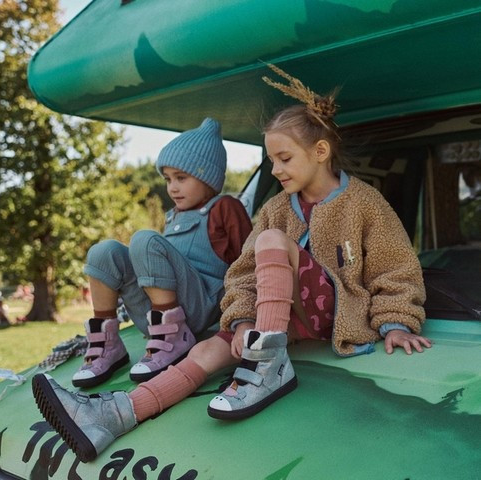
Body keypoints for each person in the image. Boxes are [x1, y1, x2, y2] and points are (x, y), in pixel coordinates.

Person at [32, 65, 431, 462]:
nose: (275, 170)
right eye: (271, 160)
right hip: (276, 322)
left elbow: (394, 266)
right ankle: (114, 415)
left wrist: (395, 322)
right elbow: (241, 273)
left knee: (272, 242)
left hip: (337, 313)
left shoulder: (363, 203)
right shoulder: (275, 207)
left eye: (285, 158)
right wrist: (241, 321)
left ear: (320, 152)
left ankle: (268, 365)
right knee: (205, 352)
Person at [70, 117, 252, 388]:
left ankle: (175, 336)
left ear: (207, 177)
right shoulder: (174, 215)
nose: (172, 187)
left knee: (144, 239)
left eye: (181, 178)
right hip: (155, 320)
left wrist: (243, 319)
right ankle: (108, 344)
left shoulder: (224, 206)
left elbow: (248, 263)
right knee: (103, 251)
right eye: (167, 179)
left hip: (199, 306)